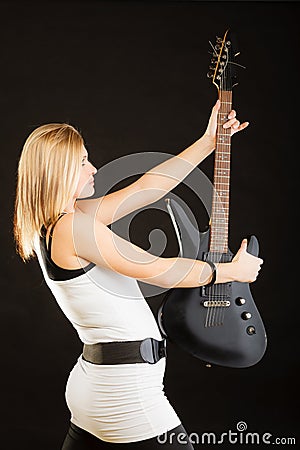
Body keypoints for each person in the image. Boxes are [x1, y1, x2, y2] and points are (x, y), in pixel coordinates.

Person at [14, 100, 263, 449]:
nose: (93, 169)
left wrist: (209, 140)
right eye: (83, 162)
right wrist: (228, 271)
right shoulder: (71, 228)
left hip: (100, 386)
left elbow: (146, 189)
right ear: (60, 173)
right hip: (124, 397)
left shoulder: (62, 222)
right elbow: (157, 269)